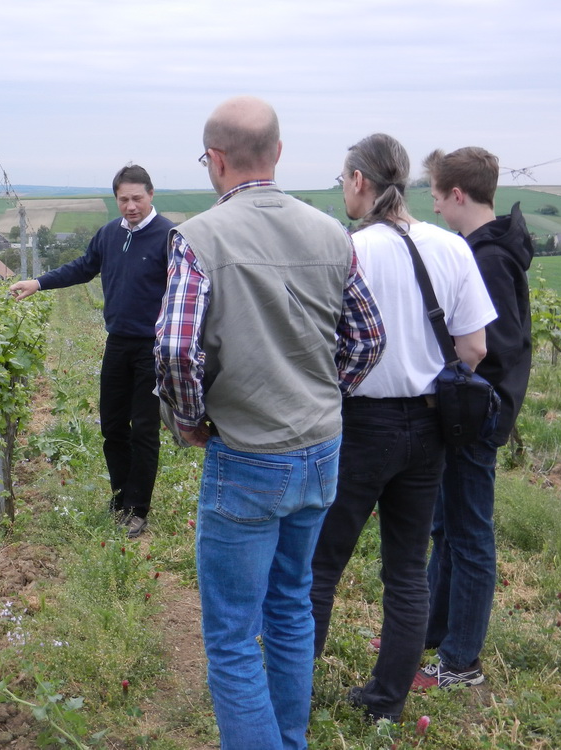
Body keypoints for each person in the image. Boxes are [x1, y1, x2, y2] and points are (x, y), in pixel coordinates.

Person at [156, 95, 385, 750]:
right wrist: (321, 393)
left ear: (216, 160)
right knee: (290, 608)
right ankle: (290, 740)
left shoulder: (199, 238)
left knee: (231, 635)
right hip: (320, 451)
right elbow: (368, 339)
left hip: (247, 455)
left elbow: (174, 349)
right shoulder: (330, 233)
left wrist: (190, 419)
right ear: (278, 153)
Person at [309, 134, 496, 723]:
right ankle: (386, 703)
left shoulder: (347, 251)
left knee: (320, 567)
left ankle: (291, 692)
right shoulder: (451, 247)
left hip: (361, 422)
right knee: (407, 570)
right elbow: (474, 347)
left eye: (344, 179)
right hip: (431, 425)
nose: (343, 189)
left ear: (360, 181)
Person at [414, 147, 534, 689]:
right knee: (447, 527)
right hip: (466, 412)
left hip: (473, 415)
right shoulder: (484, 250)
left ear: (457, 194)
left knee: (469, 535)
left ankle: (462, 662)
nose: (435, 208)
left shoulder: (486, 259)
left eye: (438, 197)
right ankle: (434, 635)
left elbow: (498, 347)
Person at [9, 165, 175, 538]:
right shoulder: (109, 234)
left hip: (153, 348)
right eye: (123, 199)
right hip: (117, 343)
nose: (130, 206)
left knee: (144, 430)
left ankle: (138, 509)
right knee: (113, 427)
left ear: (151, 195)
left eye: (137, 198)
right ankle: (119, 500)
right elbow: (84, 268)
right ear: (116, 198)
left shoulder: (170, 236)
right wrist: (39, 282)